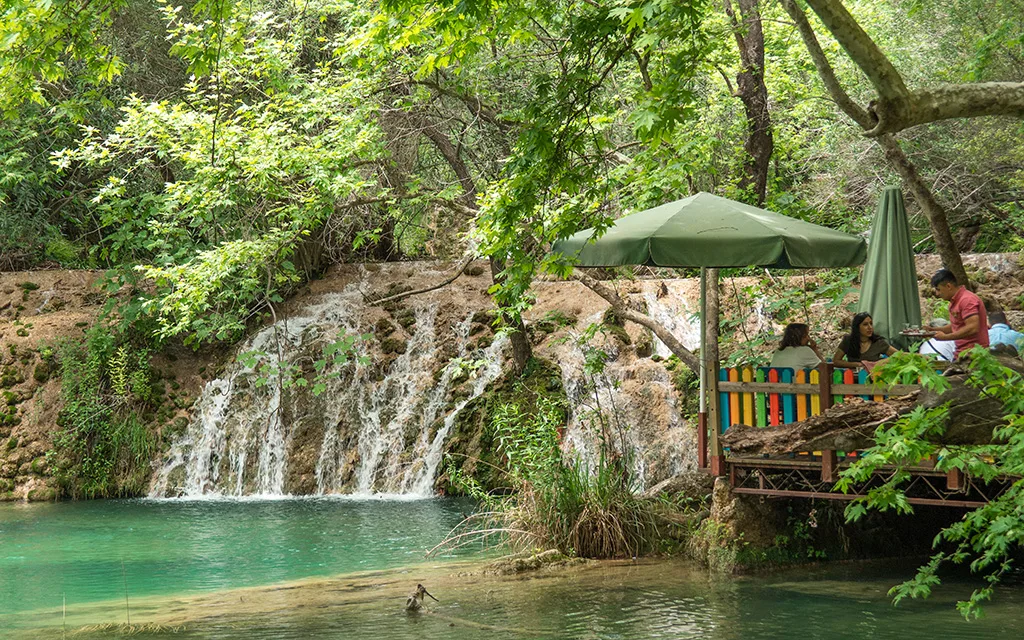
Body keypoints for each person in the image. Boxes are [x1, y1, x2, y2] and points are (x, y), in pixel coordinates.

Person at [926, 269, 988, 358]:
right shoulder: (955, 301)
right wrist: (931, 331)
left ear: (948, 286)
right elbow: (956, 326)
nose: (937, 293)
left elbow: (973, 327)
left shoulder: (967, 300)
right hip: (962, 352)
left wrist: (946, 337)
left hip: (974, 354)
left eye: (938, 289)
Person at [833, 312, 897, 369]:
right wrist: (856, 364)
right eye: (865, 324)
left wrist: (881, 363)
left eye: (871, 324)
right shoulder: (848, 341)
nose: (870, 327)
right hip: (852, 378)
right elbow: (836, 361)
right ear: (857, 327)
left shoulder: (878, 342)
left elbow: (898, 355)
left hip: (874, 379)